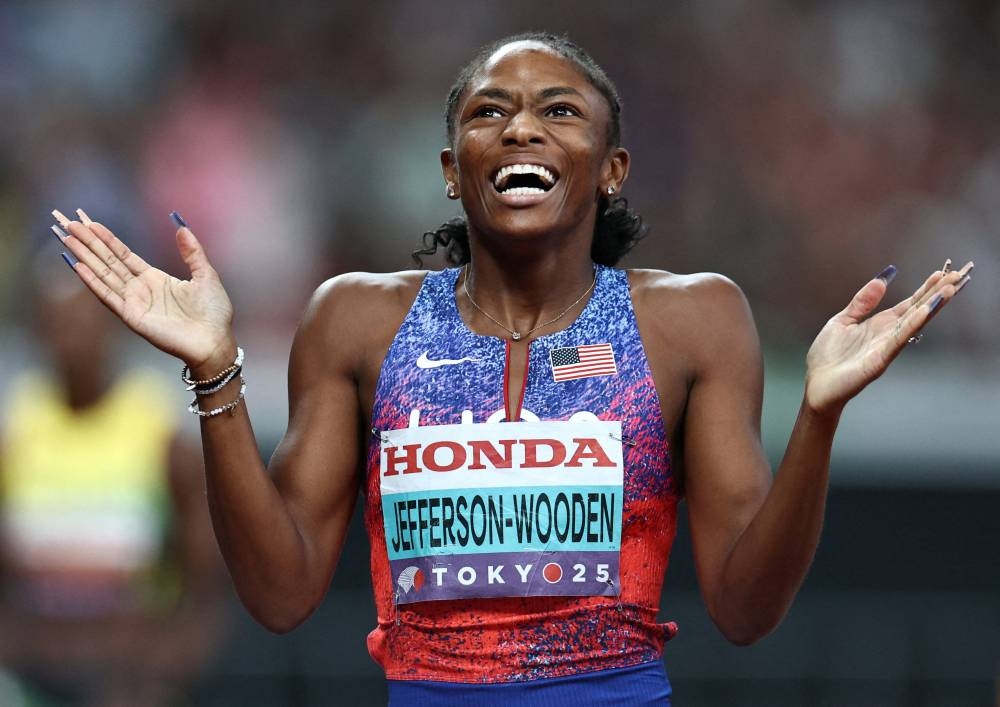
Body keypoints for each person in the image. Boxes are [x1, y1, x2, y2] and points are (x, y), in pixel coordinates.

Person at [50, 31, 972, 706]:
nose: (521, 128)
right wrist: (215, 372)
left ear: (610, 169)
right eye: (490, 112)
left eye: (558, 111)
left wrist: (818, 417)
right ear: (455, 170)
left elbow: (743, 608)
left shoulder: (692, 318)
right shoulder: (357, 319)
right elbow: (282, 593)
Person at [0, 266, 225, 706]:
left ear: (114, 330)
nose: (73, 342)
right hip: (32, 667)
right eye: (58, 327)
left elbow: (205, 563)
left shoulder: (155, 427)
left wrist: (178, 654)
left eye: (85, 326)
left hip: (130, 672)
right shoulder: (16, 427)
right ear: (39, 334)